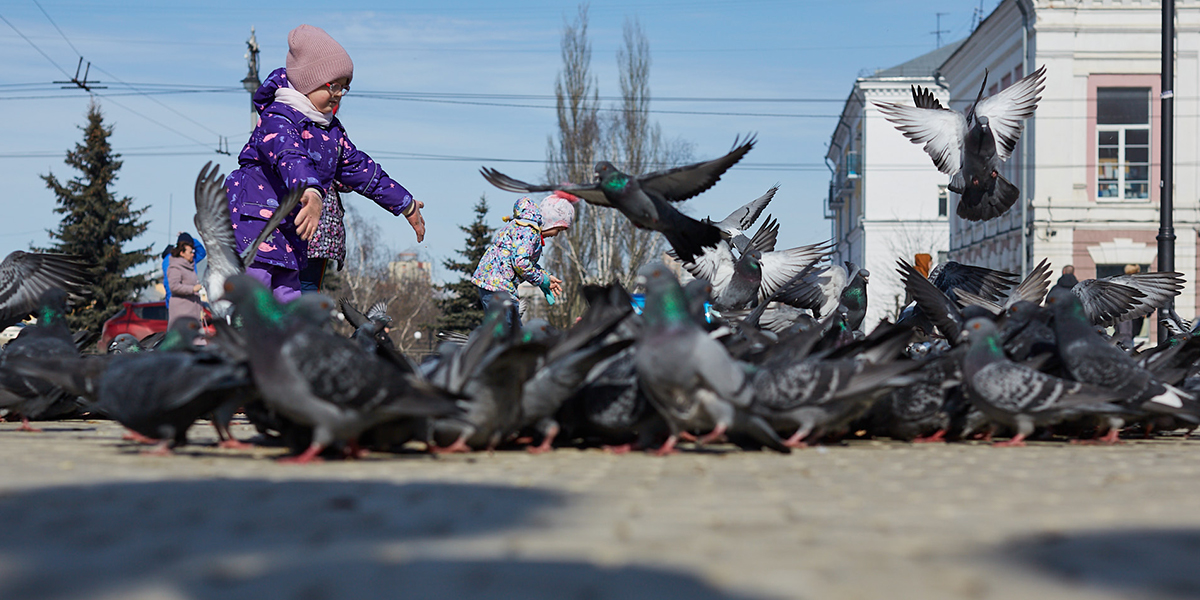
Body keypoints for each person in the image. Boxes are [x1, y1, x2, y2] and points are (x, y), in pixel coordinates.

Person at [224, 24, 425, 301]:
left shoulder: (330, 131)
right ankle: (238, 339)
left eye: (345, 87)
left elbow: (361, 169)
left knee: (292, 307)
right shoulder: (278, 118)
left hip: (292, 235)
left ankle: (293, 342)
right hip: (256, 228)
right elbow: (289, 155)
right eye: (333, 85)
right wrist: (311, 191)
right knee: (254, 297)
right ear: (307, 80)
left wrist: (405, 203)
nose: (339, 93)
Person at [471, 192, 577, 327]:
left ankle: (494, 344)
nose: (556, 235)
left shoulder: (524, 228)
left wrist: (545, 276)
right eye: (559, 229)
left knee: (504, 329)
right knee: (512, 332)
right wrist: (541, 279)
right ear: (552, 221)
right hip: (499, 287)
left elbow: (523, 261)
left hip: (492, 283)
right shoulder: (529, 232)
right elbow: (521, 264)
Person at [166, 238, 205, 328]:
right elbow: (174, 286)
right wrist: (192, 289)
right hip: (182, 313)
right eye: (190, 252)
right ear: (182, 253)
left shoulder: (190, 268)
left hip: (193, 312)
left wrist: (200, 310)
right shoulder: (175, 268)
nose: (193, 254)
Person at [161, 232, 205, 307]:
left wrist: (191, 240)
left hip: (191, 301)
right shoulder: (170, 261)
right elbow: (171, 284)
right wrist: (172, 301)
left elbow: (202, 253)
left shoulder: (190, 259)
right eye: (190, 250)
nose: (192, 254)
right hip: (178, 304)